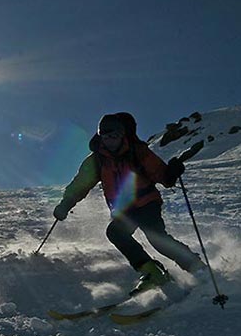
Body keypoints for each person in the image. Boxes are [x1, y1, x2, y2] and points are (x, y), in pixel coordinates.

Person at [53, 112, 204, 294]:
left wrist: (172, 172)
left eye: (114, 136)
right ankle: (151, 272)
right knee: (115, 233)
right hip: (124, 209)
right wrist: (66, 204)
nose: (110, 141)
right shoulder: (97, 161)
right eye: (106, 137)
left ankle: (196, 266)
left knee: (156, 237)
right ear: (100, 136)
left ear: (122, 135)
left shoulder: (138, 152)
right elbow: (80, 184)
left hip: (147, 202)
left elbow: (163, 176)